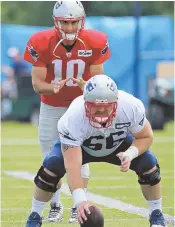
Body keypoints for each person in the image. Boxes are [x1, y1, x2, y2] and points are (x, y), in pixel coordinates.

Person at [25, 74, 167, 227]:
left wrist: (130, 153)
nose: (101, 111)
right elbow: (72, 165)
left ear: (116, 102)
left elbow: (146, 136)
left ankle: (156, 215)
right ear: (85, 102)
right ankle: (35, 215)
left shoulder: (130, 106)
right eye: (95, 106)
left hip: (117, 143)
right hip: (83, 146)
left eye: (106, 106)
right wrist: (80, 201)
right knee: (51, 165)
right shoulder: (73, 116)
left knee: (149, 163)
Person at [23, 0, 111, 223]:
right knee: (50, 159)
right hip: (52, 105)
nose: (70, 28)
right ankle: (55, 205)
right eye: (64, 22)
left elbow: (98, 79)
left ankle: (77, 206)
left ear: (81, 21)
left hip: (81, 107)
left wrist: (87, 87)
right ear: (56, 21)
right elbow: (36, 83)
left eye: (73, 22)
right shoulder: (41, 42)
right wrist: (51, 87)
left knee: (81, 158)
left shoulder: (95, 40)